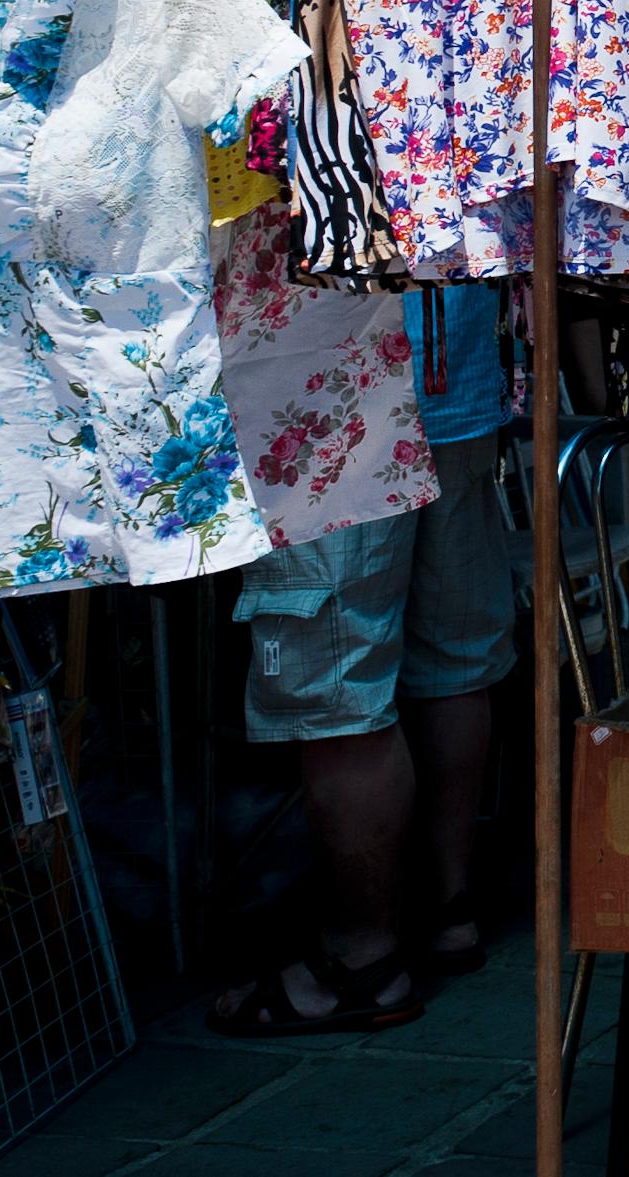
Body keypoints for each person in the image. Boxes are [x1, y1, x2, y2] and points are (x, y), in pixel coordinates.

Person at [213, 284, 514, 1035]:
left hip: (329, 374)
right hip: (451, 354)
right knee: (451, 657)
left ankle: (363, 958)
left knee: (339, 687)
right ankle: (447, 911)